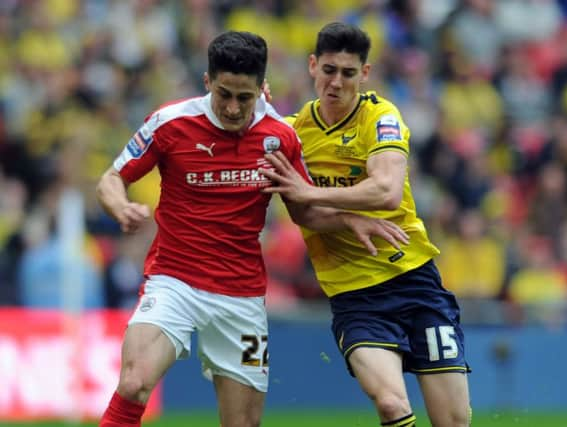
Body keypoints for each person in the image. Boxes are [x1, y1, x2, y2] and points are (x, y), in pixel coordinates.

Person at [95, 30, 408, 427]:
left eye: (244, 97)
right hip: (173, 281)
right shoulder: (170, 124)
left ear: (262, 88)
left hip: (240, 297)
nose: (231, 107)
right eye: (223, 93)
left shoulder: (280, 138)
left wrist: (350, 219)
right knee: (134, 382)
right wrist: (121, 206)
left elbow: (304, 212)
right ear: (208, 82)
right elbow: (111, 178)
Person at [260, 22, 471, 427]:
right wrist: (346, 217)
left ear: (365, 74)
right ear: (311, 66)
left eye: (348, 72)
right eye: (328, 70)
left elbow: (387, 191)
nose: (336, 82)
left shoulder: (380, 115)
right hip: (354, 297)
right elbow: (302, 215)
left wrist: (311, 192)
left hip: (413, 280)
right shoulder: (293, 133)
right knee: (392, 405)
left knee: (454, 421)